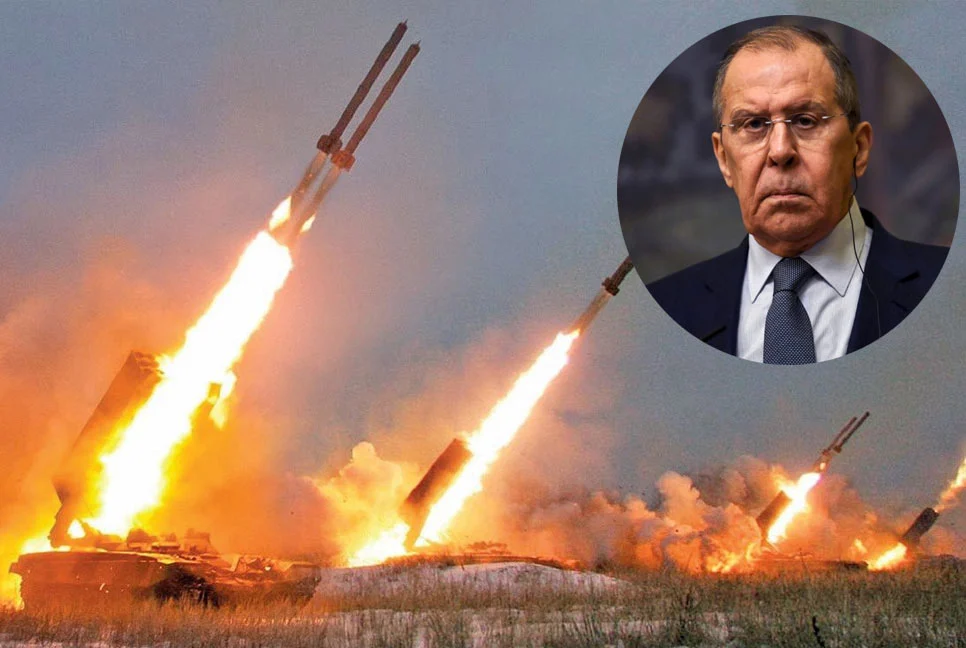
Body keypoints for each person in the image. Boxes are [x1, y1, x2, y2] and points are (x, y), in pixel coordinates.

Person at [646, 25, 948, 364]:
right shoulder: (662, 315)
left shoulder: (953, 292)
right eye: (754, 124)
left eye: (805, 120)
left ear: (859, 149)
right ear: (724, 160)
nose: (780, 151)